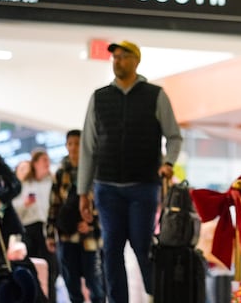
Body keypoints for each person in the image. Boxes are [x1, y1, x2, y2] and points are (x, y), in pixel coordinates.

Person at [78, 39, 183, 302]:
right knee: (111, 250)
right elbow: (88, 147)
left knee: (142, 247)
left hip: (143, 187)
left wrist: (168, 163)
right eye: (114, 57)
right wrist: (83, 191)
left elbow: (174, 136)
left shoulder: (155, 95)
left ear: (137, 60)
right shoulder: (99, 97)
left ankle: (156, 295)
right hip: (107, 186)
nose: (118, 61)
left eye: (124, 56)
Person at [46, 129, 105, 303]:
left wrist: (92, 223)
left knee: (95, 282)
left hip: (90, 237)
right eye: (70, 143)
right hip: (66, 235)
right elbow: (54, 205)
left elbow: (104, 204)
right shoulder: (61, 172)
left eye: (77, 143)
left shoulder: (96, 171)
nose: (73, 148)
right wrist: (50, 234)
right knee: (70, 281)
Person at [13, 148, 56, 302]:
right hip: (26, 230)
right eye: (43, 160)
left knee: (50, 269)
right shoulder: (20, 187)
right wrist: (25, 204)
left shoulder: (51, 182)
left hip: (45, 230)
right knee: (29, 268)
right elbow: (14, 211)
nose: (47, 163)